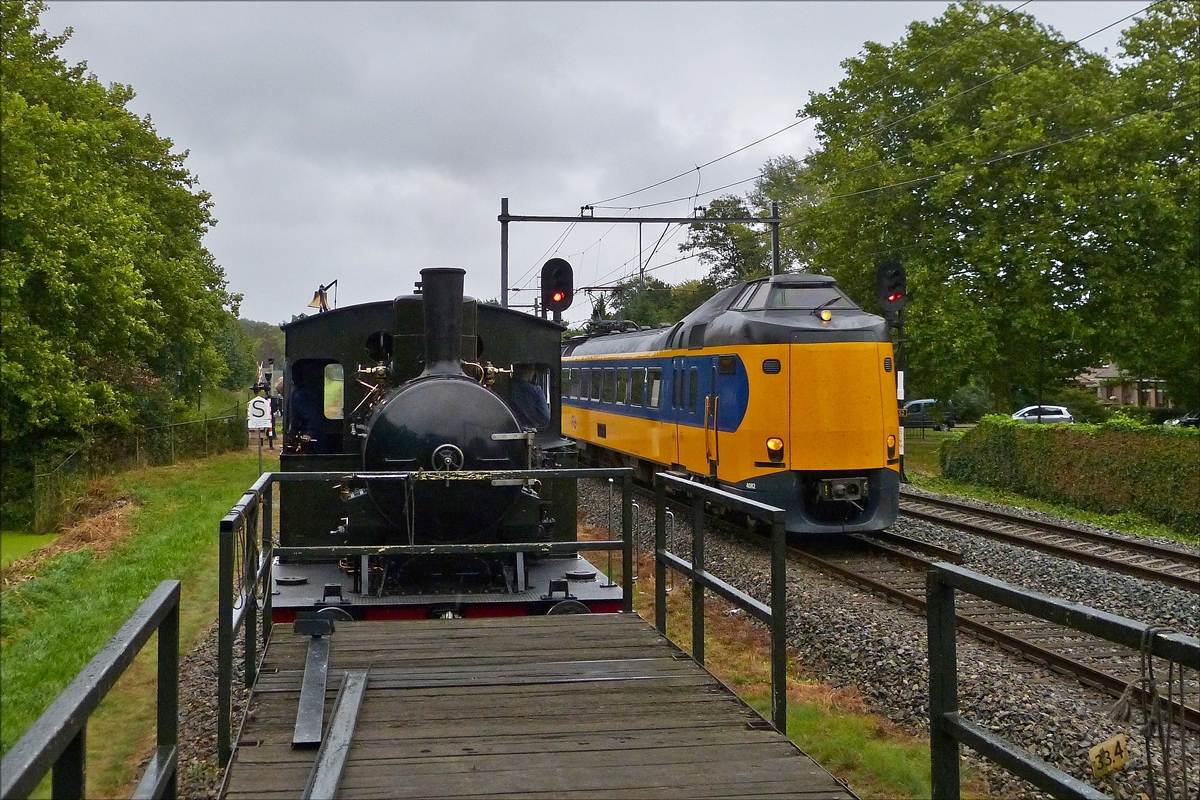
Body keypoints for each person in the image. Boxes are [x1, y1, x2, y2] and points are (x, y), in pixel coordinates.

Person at [509, 364, 550, 430]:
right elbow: (546, 418)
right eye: (533, 371)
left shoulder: (506, 388)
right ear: (528, 371)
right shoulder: (535, 391)